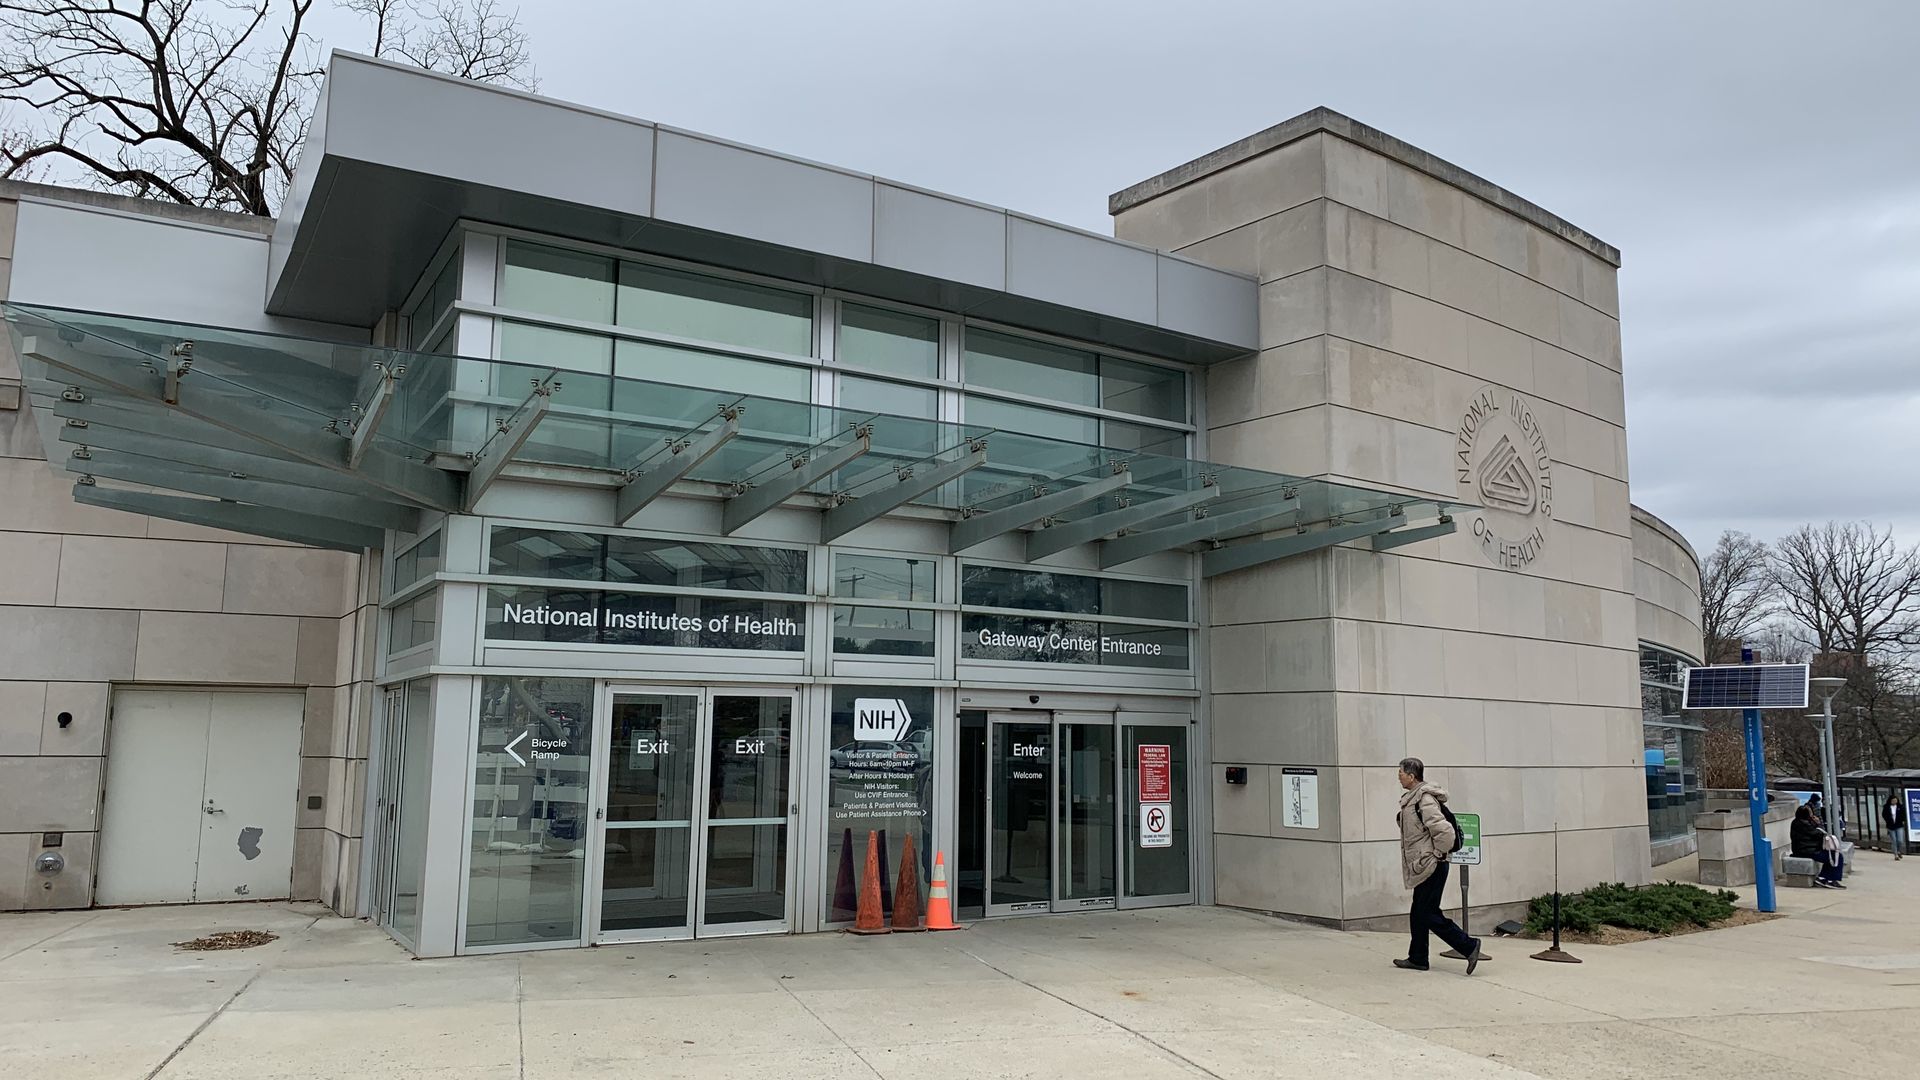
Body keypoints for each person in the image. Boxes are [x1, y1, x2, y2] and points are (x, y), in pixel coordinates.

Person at [1394, 757, 1483, 973]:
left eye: (1401, 772)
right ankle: (1417, 958)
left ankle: (1469, 946)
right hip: (1425, 864)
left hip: (1432, 864)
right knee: (1418, 912)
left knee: (1428, 913)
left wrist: (1437, 854)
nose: (1399, 776)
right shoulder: (1413, 798)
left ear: (1412, 775)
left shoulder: (1424, 799)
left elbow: (1444, 831)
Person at [1790, 803, 1846, 888]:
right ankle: (1831, 879)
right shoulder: (1804, 824)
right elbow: (1820, 834)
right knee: (1837, 857)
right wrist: (1818, 823)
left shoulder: (1797, 822)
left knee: (1831, 856)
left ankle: (1823, 877)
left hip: (1805, 849)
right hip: (1806, 851)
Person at [1884, 794, 1907, 860]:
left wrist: (1903, 821)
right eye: (1893, 800)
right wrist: (1888, 820)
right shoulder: (1887, 807)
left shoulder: (1900, 807)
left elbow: (1903, 815)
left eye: (1895, 800)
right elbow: (1884, 815)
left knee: (1900, 840)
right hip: (1891, 826)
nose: (1894, 802)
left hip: (1899, 825)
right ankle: (1896, 854)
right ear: (1890, 801)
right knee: (1894, 840)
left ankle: (1899, 851)